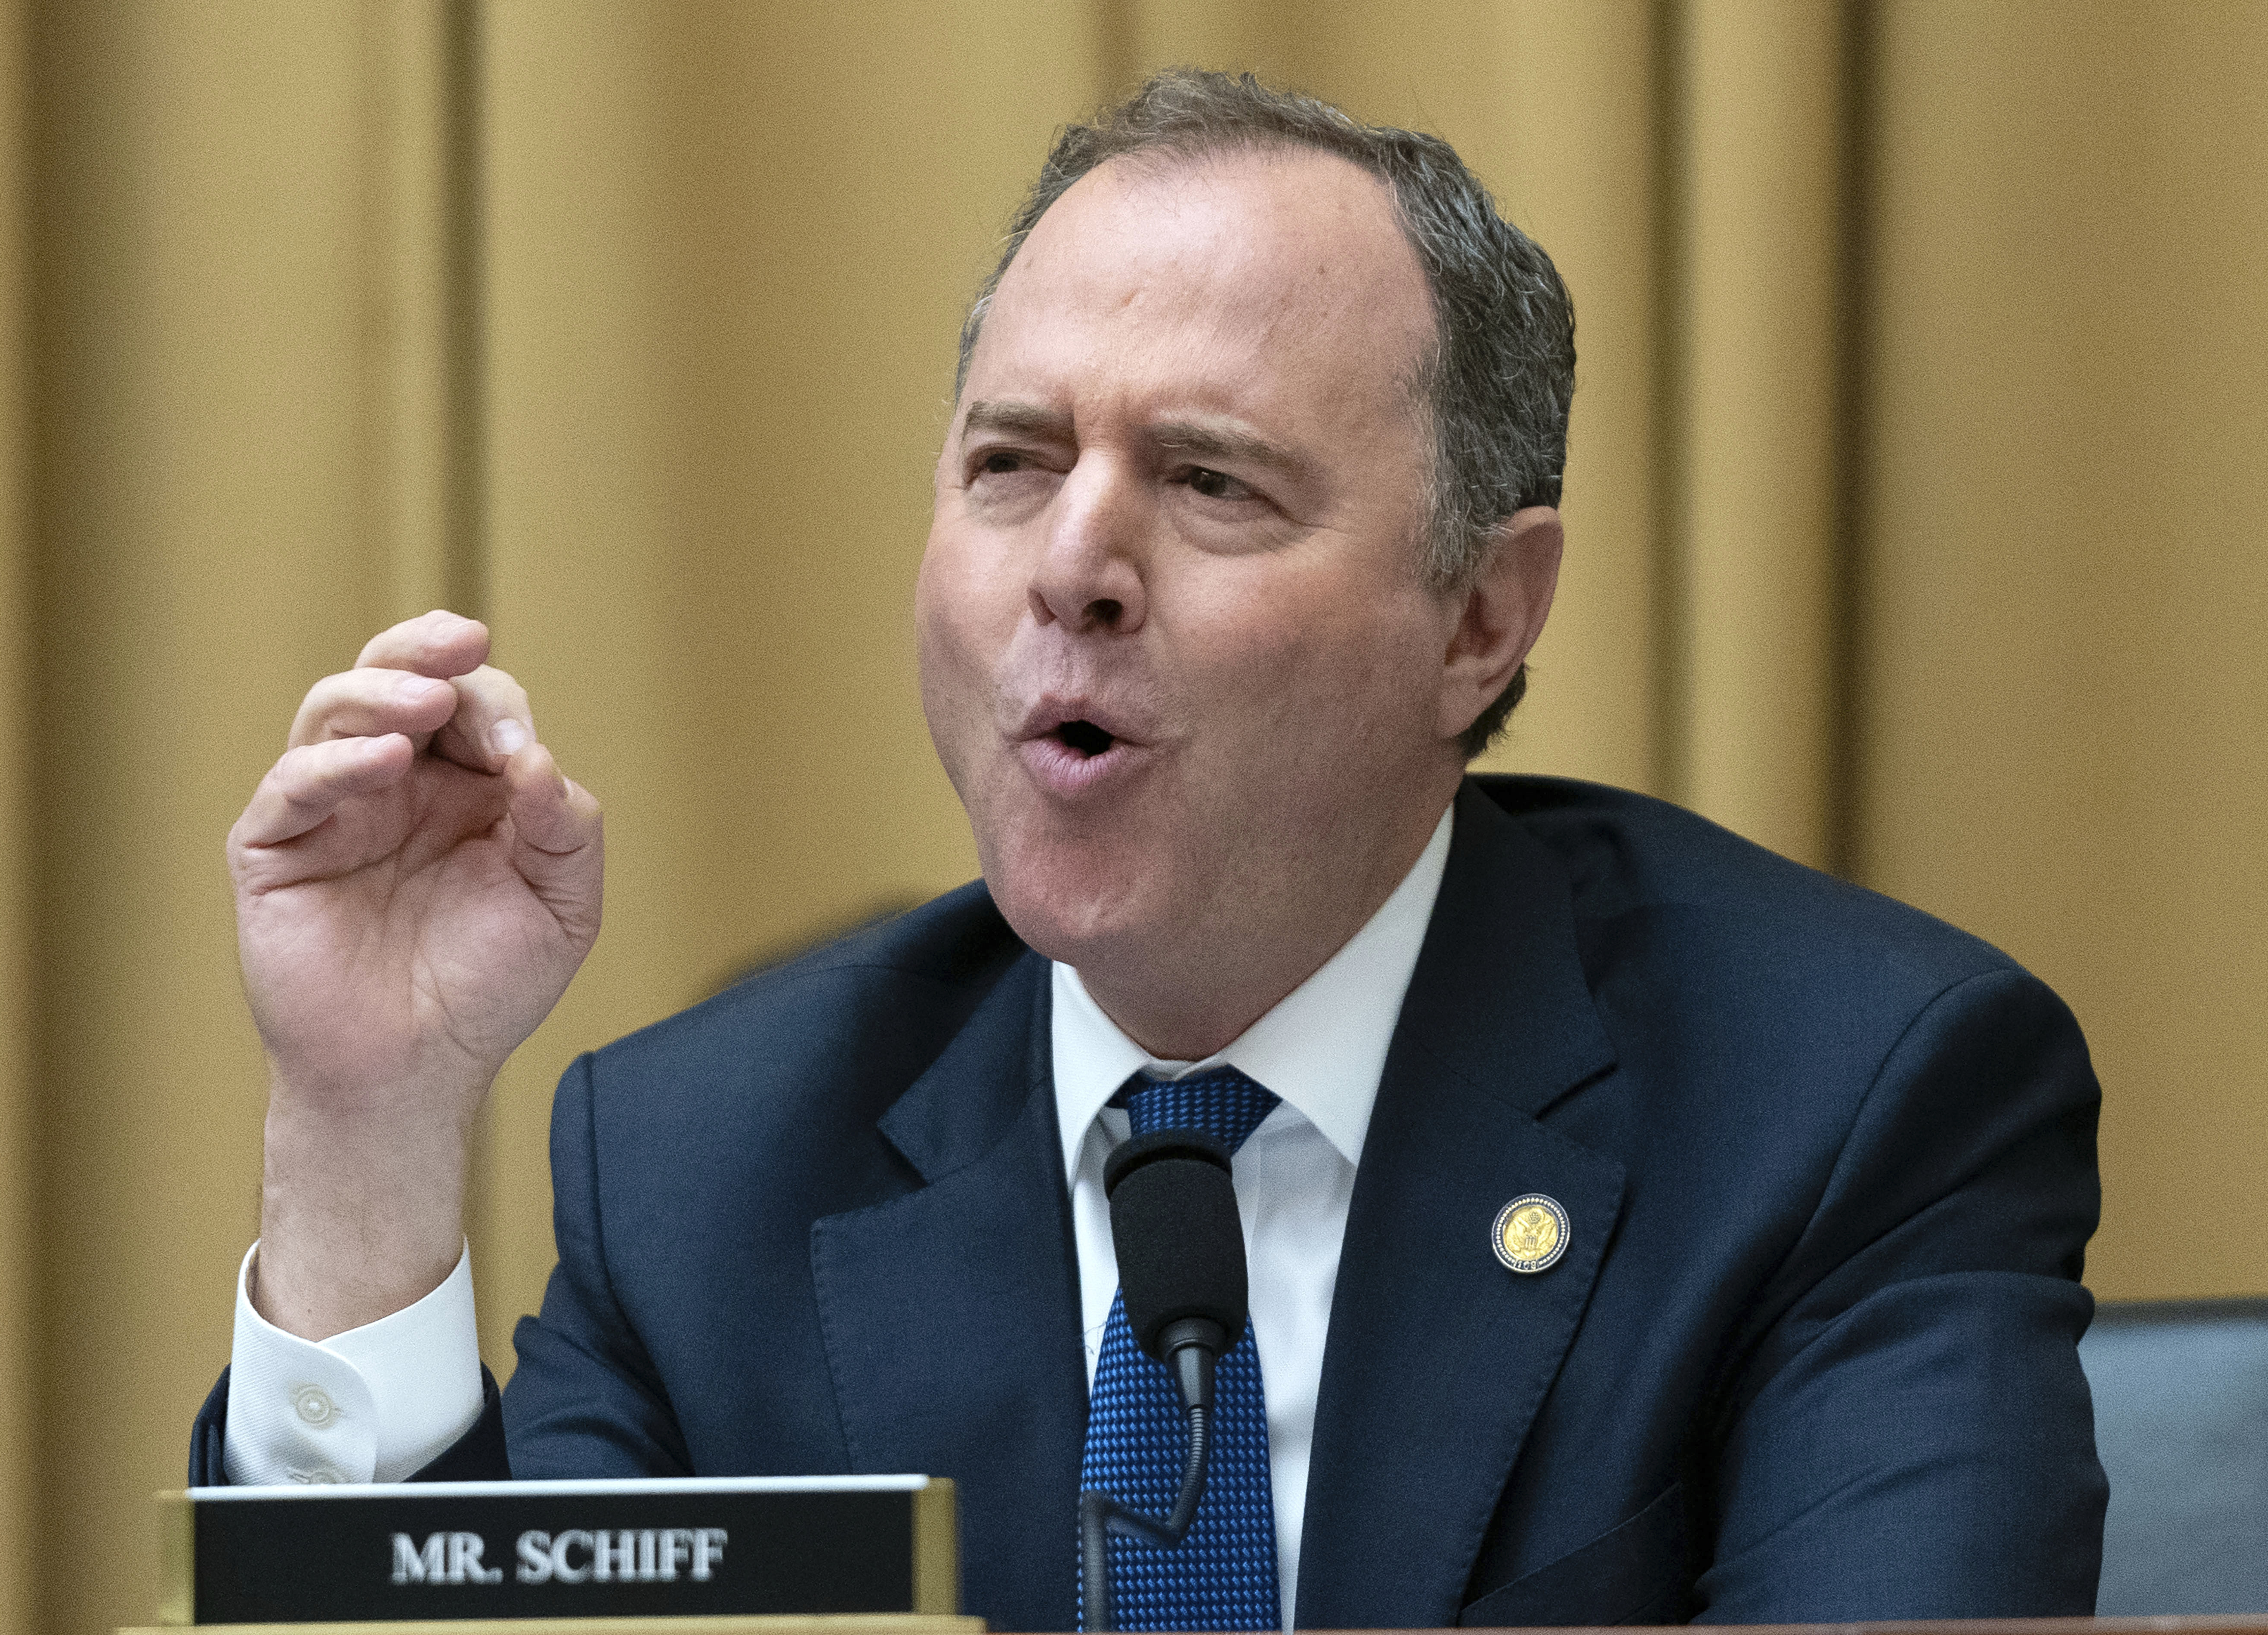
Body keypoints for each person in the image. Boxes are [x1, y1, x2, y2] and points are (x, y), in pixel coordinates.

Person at [194, 71, 2106, 1630]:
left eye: (1210, 481)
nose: (1071, 568)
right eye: (1010, 462)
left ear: (1479, 619)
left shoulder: (1848, 1105)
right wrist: (366, 1123)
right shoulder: (712, 1169)